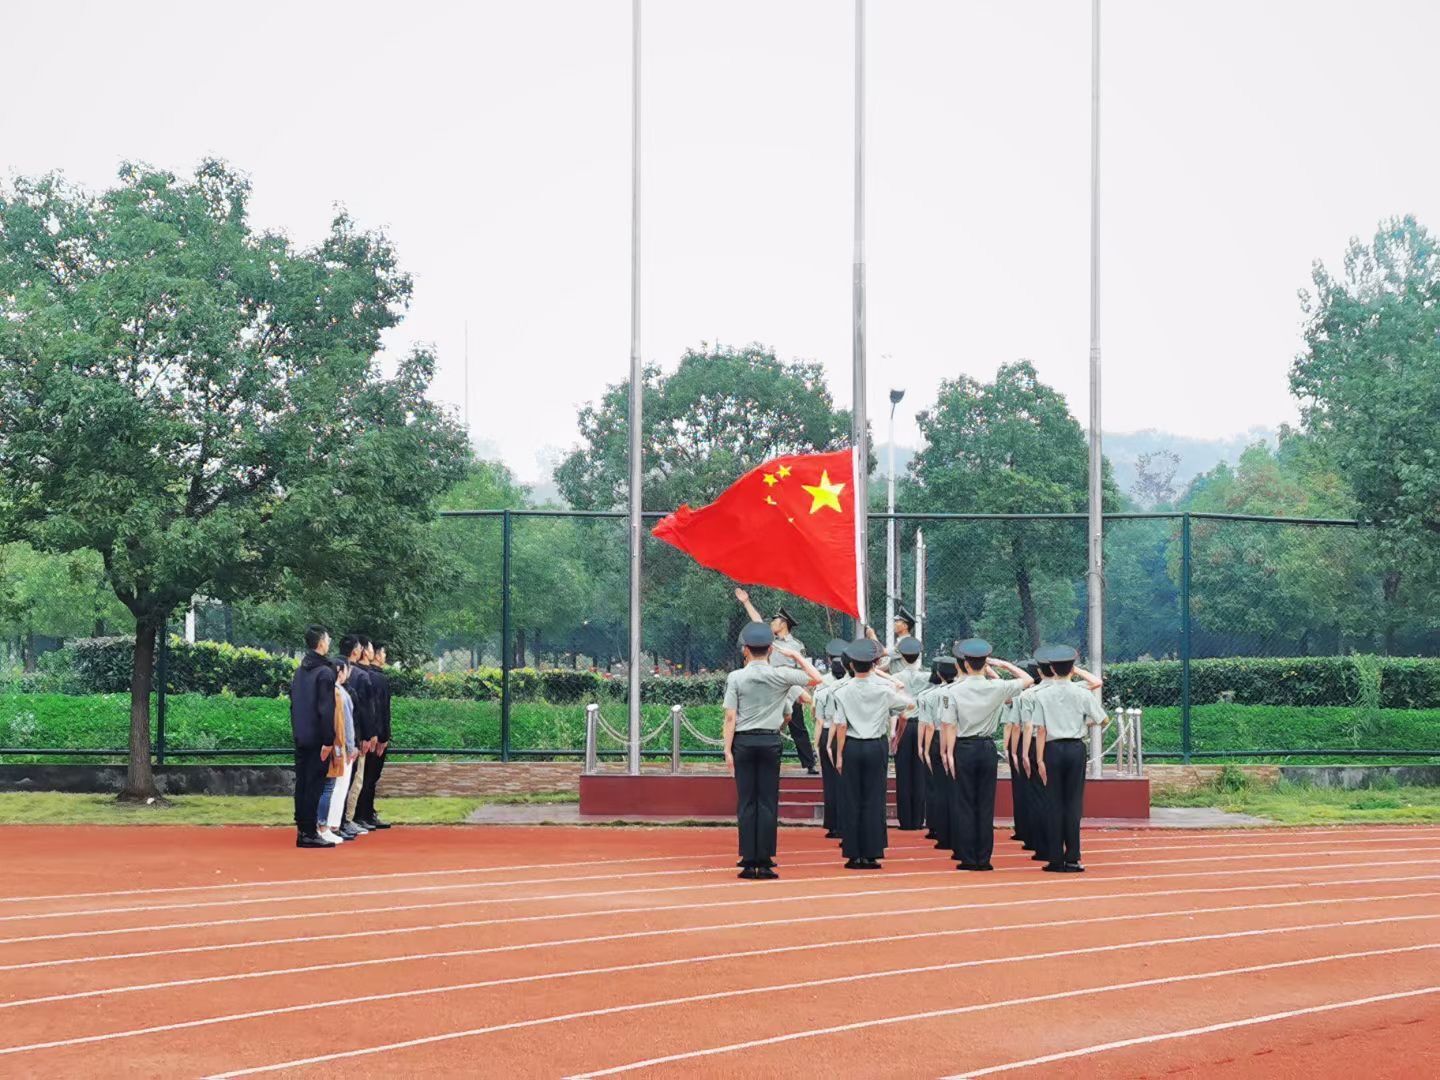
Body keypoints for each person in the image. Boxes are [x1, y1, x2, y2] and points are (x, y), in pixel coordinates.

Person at [724, 621, 823, 880]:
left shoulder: (736, 677)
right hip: (769, 741)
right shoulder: (782, 675)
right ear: (770, 649)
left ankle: (748, 861)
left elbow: (730, 717)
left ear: (745, 650)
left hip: (743, 742)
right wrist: (796, 656)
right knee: (767, 801)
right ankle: (765, 861)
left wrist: (727, 750)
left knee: (747, 801)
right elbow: (817, 679)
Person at [940, 638, 1033, 871]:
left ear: (965, 664)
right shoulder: (997, 687)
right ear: (985, 663)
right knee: (985, 804)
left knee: (965, 802)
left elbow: (949, 725)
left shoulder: (951, 691)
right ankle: (984, 858)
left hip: (963, 747)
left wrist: (948, 753)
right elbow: (1028, 680)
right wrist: (1003, 665)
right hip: (987, 747)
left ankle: (968, 857)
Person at [831, 638, 914, 870]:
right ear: (875, 664)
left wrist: (840, 755)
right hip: (876, 746)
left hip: (852, 745)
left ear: (850, 665)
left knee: (852, 798)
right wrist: (889, 680)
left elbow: (841, 725)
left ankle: (853, 854)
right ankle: (871, 853)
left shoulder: (841, 691)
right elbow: (909, 704)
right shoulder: (883, 690)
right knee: (874, 799)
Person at [1026, 645, 1106, 873]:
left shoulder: (1041, 695)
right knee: (1073, 803)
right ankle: (1073, 857)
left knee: (1053, 803)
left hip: (1051, 749)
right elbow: (1102, 719)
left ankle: (1054, 858)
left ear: (1051, 669)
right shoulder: (1082, 693)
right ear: (1072, 669)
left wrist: (1040, 760)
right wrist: (1081, 724)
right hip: (1075, 748)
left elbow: (1041, 730)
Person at [735, 589, 818, 774]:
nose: (771, 623)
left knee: (798, 727)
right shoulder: (770, 640)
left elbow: (802, 670)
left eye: (775, 621)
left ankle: (810, 763)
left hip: (789, 687)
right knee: (769, 727)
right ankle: (770, 761)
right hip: (770, 688)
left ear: (783, 624)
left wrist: (800, 691)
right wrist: (746, 602)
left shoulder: (796, 645)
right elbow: (757, 620)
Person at [289, 625, 337, 850]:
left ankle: (303, 828)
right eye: (327, 639)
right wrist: (328, 740)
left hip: (301, 735)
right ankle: (309, 832)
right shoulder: (325, 673)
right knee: (314, 784)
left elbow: (294, 705)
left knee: (303, 783)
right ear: (321, 643)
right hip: (318, 738)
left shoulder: (300, 672)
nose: (329, 643)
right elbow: (326, 709)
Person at [888, 635, 930, 831]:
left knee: (903, 773)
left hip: (903, 725)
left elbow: (894, 708)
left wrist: (893, 733)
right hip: (922, 725)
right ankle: (919, 819)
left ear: (902, 657)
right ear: (919, 656)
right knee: (920, 773)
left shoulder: (895, 678)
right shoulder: (927, 677)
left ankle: (905, 820)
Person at [811, 638, 849, 840]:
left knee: (830, 780)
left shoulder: (822, 686)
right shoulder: (851, 684)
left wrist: (816, 743)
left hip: (827, 733)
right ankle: (846, 823)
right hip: (848, 734)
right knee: (847, 781)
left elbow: (816, 718)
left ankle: (833, 824)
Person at [339, 635, 375, 838]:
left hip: (342, 735)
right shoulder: (360, 676)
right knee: (352, 779)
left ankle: (342, 820)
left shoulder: (333, 672)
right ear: (356, 650)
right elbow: (364, 710)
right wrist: (367, 736)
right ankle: (345, 820)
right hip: (352, 736)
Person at [316, 660, 356, 845]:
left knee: (331, 787)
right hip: (337, 745)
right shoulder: (338, 693)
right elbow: (344, 723)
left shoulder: (327, 691)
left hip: (331, 744)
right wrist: (348, 746)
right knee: (333, 787)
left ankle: (328, 824)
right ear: (340, 671)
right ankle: (328, 825)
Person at [354, 641, 393, 830]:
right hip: (374, 736)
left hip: (369, 733)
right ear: (376, 654)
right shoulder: (376, 678)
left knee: (365, 776)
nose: (385, 656)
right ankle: (364, 814)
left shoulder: (366, 675)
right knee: (369, 776)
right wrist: (382, 736)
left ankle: (365, 813)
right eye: (383, 653)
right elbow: (379, 710)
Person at [920, 656, 957, 846]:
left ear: (939, 673)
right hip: (960, 739)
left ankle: (939, 830)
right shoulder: (959, 691)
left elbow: (927, 725)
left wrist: (924, 748)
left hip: (937, 738)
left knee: (937, 786)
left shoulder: (929, 695)